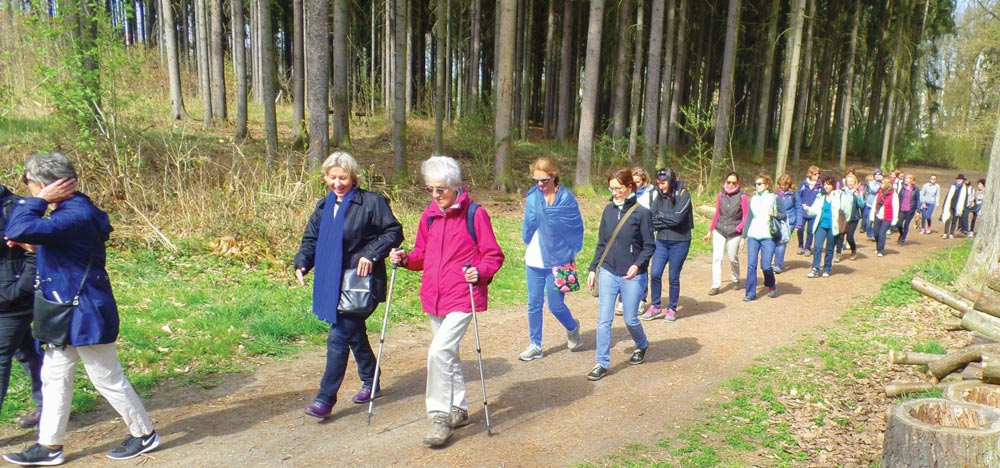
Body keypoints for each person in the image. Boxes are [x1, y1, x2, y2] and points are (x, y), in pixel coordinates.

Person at [3, 152, 159, 466]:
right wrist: (36, 245)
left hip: (85, 312)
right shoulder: (68, 213)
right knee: (54, 378)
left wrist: (40, 201)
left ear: (45, 185)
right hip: (64, 309)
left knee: (107, 378)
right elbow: (59, 249)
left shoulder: (76, 213)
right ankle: (49, 446)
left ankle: (144, 434)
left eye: (28, 182)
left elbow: (17, 228)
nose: (26, 188)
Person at [389, 155, 505, 447]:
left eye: (440, 189)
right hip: (434, 296)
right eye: (429, 188)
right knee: (447, 354)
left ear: (456, 186)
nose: (435, 194)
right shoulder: (429, 216)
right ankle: (459, 408)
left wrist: (479, 272)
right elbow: (421, 255)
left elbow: (493, 255)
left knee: (438, 351)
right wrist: (405, 259)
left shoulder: (475, 214)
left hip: (463, 295)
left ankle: (440, 416)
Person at [294, 152, 404, 420]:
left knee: (339, 336)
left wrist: (371, 254)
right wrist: (302, 263)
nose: (337, 183)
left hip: (361, 284)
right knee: (352, 333)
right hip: (331, 283)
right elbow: (311, 239)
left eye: (343, 178)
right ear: (325, 177)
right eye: (332, 177)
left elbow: (393, 231)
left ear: (354, 177)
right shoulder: (324, 206)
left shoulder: (371, 202)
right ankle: (371, 379)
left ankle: (324, 399)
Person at [586, 169, 653, 380]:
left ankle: (641, 344)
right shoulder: (607, 211)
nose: (614, 193)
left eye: (618, 188)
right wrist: (593, 268)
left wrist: (638, 265)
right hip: (608, 270)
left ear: (629, 187)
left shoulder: (642, 213)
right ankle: (601, 362)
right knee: (603, 320)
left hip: (631, 275)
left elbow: (649, 246)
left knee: (630, 319)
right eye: (611, 188)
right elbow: (602, 243)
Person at [517, 159, 584, 361]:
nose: (539, 184)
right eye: (536, 180)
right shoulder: (533, 197)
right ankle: (535, 345)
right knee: (534, 304)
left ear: (553, 176)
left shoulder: (566, 198)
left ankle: (572, 327)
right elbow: (528, 224)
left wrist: (565, 249)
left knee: (555, 305)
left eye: (544, 180)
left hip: (557, 258)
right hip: (534, 258)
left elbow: (574, 227)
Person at [0, 184, 44, 429]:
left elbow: (35, 247)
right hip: (10, 295)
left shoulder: (18, 208)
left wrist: (21, 288)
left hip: (13, 298)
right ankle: (51, 406)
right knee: (27, 352)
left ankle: (51, 407)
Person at [639, 168, 693, 322]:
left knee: (673, 276)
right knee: (655, 273)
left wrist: (661, 216)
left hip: (680, 241)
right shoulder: (658, 195)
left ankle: (672, 308)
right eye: (658, 183)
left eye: (663, 183)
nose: (661, 186)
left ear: (671, 181)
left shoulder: (683, 194)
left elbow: (678, 219)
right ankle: (656, 306)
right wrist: (666, 218)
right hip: (662, 240)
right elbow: (651, 218)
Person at [703, 172, 748, 296]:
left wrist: (739, 228)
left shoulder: (742, 197)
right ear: (725, 182)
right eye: (729, 182)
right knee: (717, 258)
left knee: (732, 258)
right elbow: (717, 214)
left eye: (734, 182)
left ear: (737, 183)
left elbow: (745, 216)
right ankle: (715, 285)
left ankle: (735, 279)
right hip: (719, 230)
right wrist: (710, 231)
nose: (731, 184)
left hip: (734, 232)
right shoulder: (720, 195)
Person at [742, 175, 784, 300]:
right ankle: (750, 293)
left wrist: (775, 214)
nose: (757, 186)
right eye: (755, 184)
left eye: (759, 184)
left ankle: (771, 284)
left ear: (767, 185)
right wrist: (743, 237)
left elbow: (784, 215)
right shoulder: (753, 199)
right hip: (753, 235)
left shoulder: (774, 198)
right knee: (751, 265)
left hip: (768, 236)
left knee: (766, 266)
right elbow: (749, 218)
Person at [806, 176, 849, 278]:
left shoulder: (839, 195)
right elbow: (814, 209)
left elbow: (847, 209)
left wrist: (846, 221)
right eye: (824, 184)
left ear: (833, 185)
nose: (826, 186)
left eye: (828, 184)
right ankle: (815, 269)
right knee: (817, 247)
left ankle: (827, 269)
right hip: (821, 225)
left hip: (833, 227)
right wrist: (808, 208)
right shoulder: (820, 196)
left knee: (830, 249)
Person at [771, 174, 801, 274]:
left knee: (782, 241)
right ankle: (772, 261)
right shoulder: (775, 193)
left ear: (789, 184)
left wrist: (798, 224)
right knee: (774, 241)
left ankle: (778, 265)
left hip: (789, 222)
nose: (783, 187)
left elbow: (798, 208)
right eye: (781, 185)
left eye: (785, 185)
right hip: (776, 220)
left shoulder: (794, 194)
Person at [835, 173, 865, 261]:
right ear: (846, 182)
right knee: (840, 236)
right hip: (843, 218)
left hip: (853, 218)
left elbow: (862, 205)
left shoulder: (857, 192)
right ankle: (838, 253)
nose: (850, 183)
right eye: (849, 181)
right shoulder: (842, 191)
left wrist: (859, 197)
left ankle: (853, 250)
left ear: (855, 182)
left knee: (849, 237)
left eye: (852, 181)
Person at [796, 166, 822, 256]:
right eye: (815, 174)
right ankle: (800, 245)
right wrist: (801, 205)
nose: (817, 175)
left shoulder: (820, 186)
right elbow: (798, 195)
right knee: (800, 229)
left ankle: (808, 247)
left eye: (818, 174)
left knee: (810, 231)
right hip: (803, 211)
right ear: (810, 174)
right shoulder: (804, 184)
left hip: (813, 212)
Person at [870, 178, 899, 257]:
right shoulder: (879, 192)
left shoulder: (894, 194)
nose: (881, 184)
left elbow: (896, 207)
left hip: (887, 217)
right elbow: (875, 204)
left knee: (882, 233)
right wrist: (872, 215)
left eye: (882, 183)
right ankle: (878, 246)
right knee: (876, 233)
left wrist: (895, 219)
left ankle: (880, 250)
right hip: (878, 216)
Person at [941, 173, 968, 239]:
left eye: (961, 179)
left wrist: (963, 208)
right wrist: (944, 205)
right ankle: (945, 233)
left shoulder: (964, 189)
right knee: (948, 218)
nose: (959, 180)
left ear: (963, 180)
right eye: (958, 179)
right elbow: (947, 196)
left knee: (954, 220)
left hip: (958, 207)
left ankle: (951, 233)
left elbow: (965, 199)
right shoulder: (953, 187)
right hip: (950, 205)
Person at [896, 174, 919, 245]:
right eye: (905, 178)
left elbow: (918, 200)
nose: (906, 179)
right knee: (899, 224)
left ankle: (902, 239)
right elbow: (898, 198)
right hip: (902, 209)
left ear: (912, 180)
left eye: (908, 178)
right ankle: (902, 234)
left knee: (906, 224)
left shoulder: (916, 189)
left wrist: (918, 210)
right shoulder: (903, 188)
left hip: (910, 210)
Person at [863, 169, 885, 240]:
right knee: (869, 221)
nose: (877, 176)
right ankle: (870, 234)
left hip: (880, 205)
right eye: (876, 174)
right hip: (870, 205)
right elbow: (874, 190)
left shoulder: (884, 182)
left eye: (879, 174)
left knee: (878, 221)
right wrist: (880, 184)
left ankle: (877, 234)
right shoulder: (871, 183)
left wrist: (882, 182)